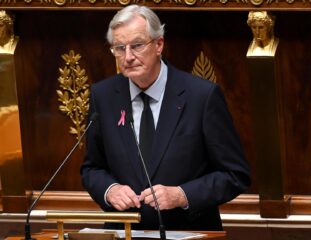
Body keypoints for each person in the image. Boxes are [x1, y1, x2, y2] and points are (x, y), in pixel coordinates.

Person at [81, 4, 251, 231]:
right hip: (125, 231)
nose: (128, 57)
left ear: (159, 44)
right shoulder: (103, 96)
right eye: (119, 48)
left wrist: (182, 195)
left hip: (188, 230)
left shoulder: (201, 96)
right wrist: (109, 190)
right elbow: (92, 168)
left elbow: (235, 175)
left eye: (137, 46)